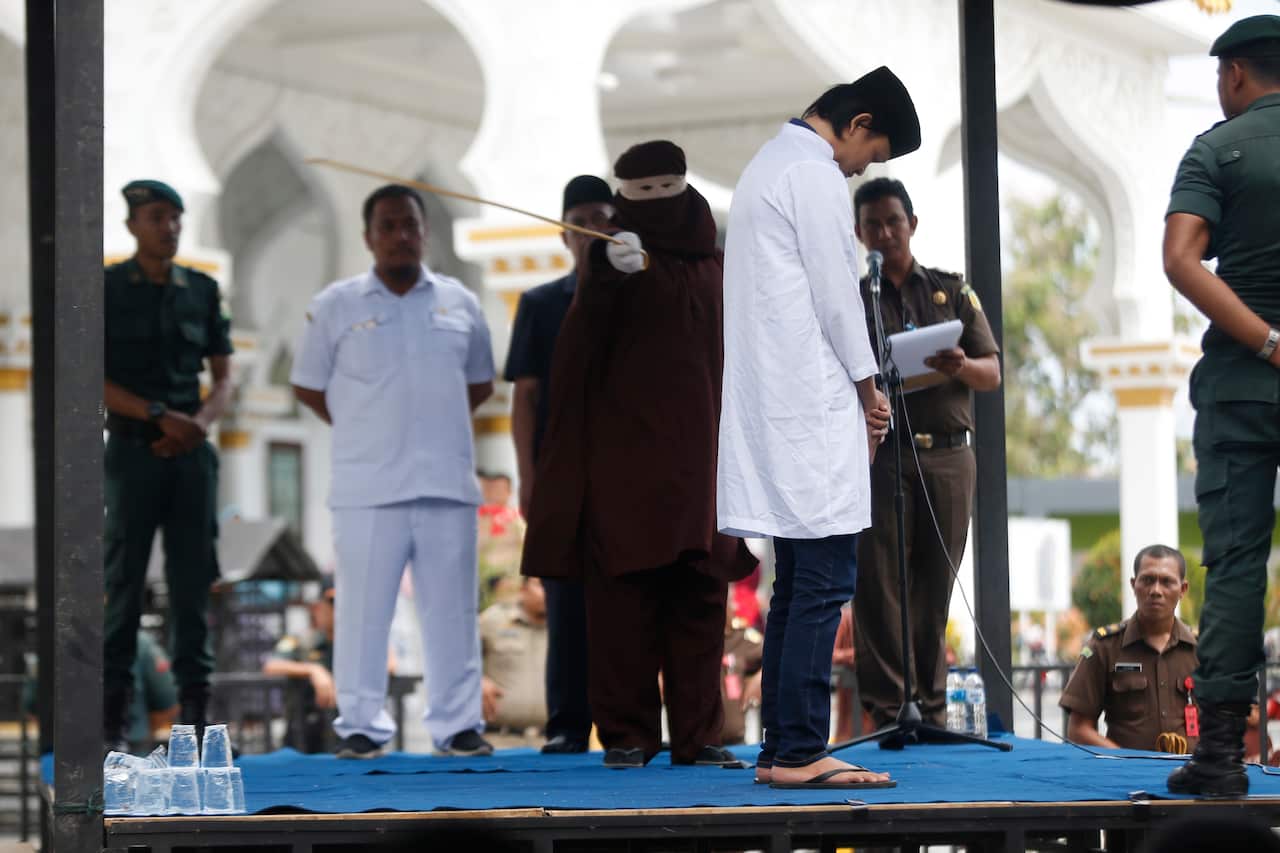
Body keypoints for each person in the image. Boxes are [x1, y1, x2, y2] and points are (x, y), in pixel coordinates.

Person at [521, 141, 756, 769]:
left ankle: (700, 735)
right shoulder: (610, 265)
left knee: (700, 603)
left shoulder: (718, 266)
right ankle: (626, 734)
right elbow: (573, 366)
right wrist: (602, 277)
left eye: (663, 190)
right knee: (622, 606)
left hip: (702, 468)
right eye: (638, 194)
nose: (652, 205)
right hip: (623, 470)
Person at [718, 67, 919, 789]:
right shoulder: (812, 174)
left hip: (782, 404)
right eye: (875, 150)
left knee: (799, 578)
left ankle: (780, 747)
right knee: (824, 580)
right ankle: (802, 748)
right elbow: (839, 299)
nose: (864, 166)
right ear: (857, 123)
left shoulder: (768, 165)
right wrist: (870, 391)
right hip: (809, 405)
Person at [290, 184, 497, 759]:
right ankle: (360, 726)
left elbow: (478, 384)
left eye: (410, 224)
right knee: (360, 610)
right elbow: (309, 387)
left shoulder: (461, 303)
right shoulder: (336, 305)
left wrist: (429, 427)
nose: (401, 235)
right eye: (388, 226)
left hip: (446, 485)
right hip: (367, 488)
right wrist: (366, 428)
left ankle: (458, 726)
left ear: (425, 232)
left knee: (452, 610)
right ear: (368, 237)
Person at [1162, 14, 1280, 797]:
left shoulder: (1218, 147)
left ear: (1235, 74)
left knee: (1237, 564)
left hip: (1246, 385)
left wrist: (1270, 341)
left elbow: (1179, 259)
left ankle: (1219, 762)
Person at [850, 177, 1001, 728]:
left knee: (935, 583)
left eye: (893, 221)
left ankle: (931, 710)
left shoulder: (950, 291)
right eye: (872, 225)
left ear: (912, 223)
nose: (885, 233)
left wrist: (958, 365)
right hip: (882, 453)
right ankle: (891, 709)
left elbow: (992, 372)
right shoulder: (855, 298)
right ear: (858, 232)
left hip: (947, 456)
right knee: (880, 585)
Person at [103, 179, 234, 752]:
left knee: (191, 585)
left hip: (190, 455)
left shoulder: (201, 290)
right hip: (134, 450)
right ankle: (111, 722)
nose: (170, 227)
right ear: (132, 225)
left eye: (176, 218)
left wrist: (197, 425)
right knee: (123, 583)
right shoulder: (107, 289)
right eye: (157, 217)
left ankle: (197, 722)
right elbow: (90, 375)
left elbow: (225, 375)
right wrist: (160, 417)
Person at [504, 175, 614, 754]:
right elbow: (525, 395)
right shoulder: (541, 304)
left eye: (606, 217)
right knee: (565, 601)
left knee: (625, 605)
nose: (596, 229)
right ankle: (568, 725)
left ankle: (625, 727)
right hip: (562, 477)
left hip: (624, 478)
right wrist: (527, 475)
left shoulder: (636, 298)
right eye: (585, 219)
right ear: (564, 233)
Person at [1059, 545, 1198, 752]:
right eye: (1147, 580)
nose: (1156, 591)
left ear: (1183, 589)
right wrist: (1125, 761)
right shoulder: (1104, 646)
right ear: (1134, 585)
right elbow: (1079, 729)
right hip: (1126, 779)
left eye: (1167, 581)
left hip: (1192, 777)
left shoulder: (1202, 649)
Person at [263, 581, 342, 753]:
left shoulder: (355, 645)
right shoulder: (302, 639)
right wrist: (314, 670)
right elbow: (272, 665)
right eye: (332, 604)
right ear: (317, 608)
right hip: (304, 734)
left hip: (343, 735)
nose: (337, 610)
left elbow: (390, 664)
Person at [480, 577, 549, 746]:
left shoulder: (567, 626)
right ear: (523, 589)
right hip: (499, 742)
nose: (548, 591)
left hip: (551, 744)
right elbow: (458, 658)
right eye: (540, 585)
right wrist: (477, 680)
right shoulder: (493, 620)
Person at [477, 471, 526, 610]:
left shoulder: (518, 520)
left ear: (509, 491)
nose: (493, 493)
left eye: (499, 489)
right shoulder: (474, 521)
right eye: (490, 488)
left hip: (512, 585)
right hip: (482, 586)